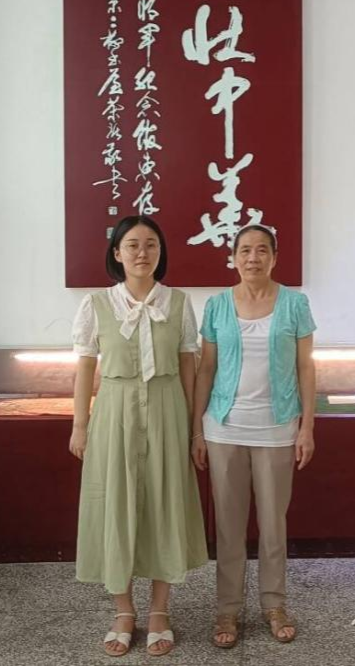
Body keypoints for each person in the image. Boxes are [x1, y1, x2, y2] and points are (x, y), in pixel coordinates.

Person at [70, 215, 208, 657]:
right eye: (132, 244)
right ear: (117, 253)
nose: (142, 252)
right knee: (115, 503)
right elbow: (85, 368)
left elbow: (188, 367)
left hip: (167, 408)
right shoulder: (96, 304)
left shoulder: (178, 302)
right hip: (115, 410)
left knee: (165, 503)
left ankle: (160, 610)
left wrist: (195, 427)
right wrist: (79, 424)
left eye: (151, 244)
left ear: (160, 252)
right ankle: (123, 611)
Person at [191, 225, 317, 649]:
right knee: (228, 525)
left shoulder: (295, 304)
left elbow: (306, 368)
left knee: (273, 523)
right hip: (224, 427)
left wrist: (307, 427)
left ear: (274, 257)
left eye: (262, 250)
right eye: (245, 250)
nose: (253, 258)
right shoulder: (217, 306)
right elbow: (206, 369)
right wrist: (197, 429)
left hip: (277, 428)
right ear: (233, 257)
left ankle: (274, 605)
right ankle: (227, 609)